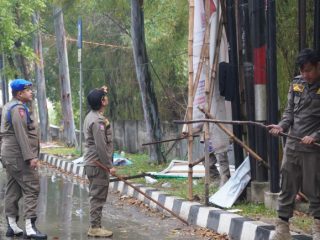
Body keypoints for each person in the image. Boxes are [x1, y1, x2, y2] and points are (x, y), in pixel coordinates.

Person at [268, 48, 320, 240]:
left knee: (315, 189)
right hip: (292, 145)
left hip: (312, 150)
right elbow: (289, 112)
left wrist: (315, 135)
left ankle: (318, 229)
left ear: (318, 66)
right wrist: (281, 126)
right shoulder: (297, 83)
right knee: (287, 187)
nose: (306, 75)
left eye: (309, 70)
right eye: (303, 71)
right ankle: (282, 230)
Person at [1, 79, 47, 239]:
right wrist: (30, 157)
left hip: (10, 155)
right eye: (28, 90)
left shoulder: (9, 105)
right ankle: (30, 228)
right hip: (18, 156)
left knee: (13, 189)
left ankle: (12, 226)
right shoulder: (18, 109)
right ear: (20, 94)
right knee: (32, 187)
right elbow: (21, 134)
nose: (31, 92)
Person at [83, 86, 116, 238]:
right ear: (102, 101)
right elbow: (101, 146)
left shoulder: (92, 116)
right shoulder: (97, 121)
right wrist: (109, 166)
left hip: (94, 163)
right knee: (97, 196)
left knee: (97, 194)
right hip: (98, 164)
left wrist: (100, 90)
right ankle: (95, 228)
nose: (107, 98)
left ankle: (96, 225)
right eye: (104, 96)